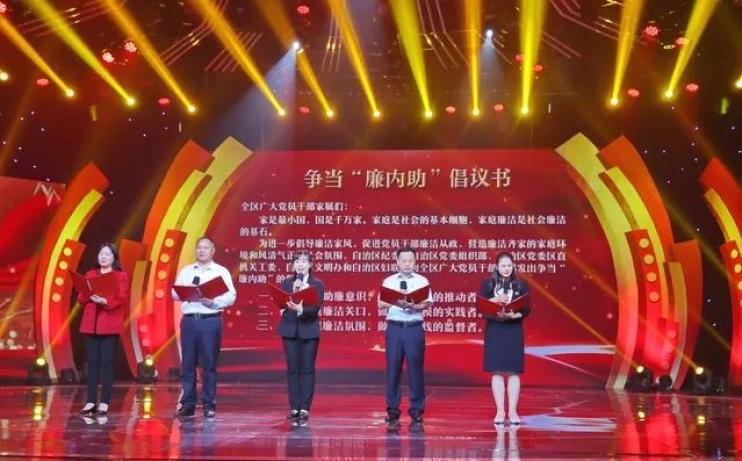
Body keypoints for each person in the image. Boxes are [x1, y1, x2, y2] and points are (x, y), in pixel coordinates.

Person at [172, 237, 236, 418]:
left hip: (210, 321)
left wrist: (214, 302)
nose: (201, 250)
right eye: (199, 247)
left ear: (212, 251)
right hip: (190, 321)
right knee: (188, 364)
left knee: (209, 364)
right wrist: (186, 290)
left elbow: (231, 297)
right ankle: (188, 404)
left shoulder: (220, 271)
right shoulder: (187, 271)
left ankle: (209, 404)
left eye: (205, 247)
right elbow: (174, 294)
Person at [378, 246, 433, 426]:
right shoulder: (389, 281)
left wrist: (412, 305)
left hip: (413, 328)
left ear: (415, 262)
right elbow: (380, 303)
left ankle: (416, 410)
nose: (407, 264)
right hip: (395, 328)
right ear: (397, 261)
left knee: (415, 370)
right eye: (404, 261)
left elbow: (427, 304)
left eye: (410, 261)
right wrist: (396, 301)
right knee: (393, 369)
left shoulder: (422, 281)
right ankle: (393, 410)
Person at [78, 243, 130, 417]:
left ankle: (105, 402)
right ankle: (90, 401)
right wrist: (86, 293)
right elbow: (81, 298)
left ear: (114, 258)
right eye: (101, 254)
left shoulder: (120, 275)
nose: (103, 257)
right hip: (91, 324)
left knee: (107, 363)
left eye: (107, 254)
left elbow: (122, 298)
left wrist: (105, 301)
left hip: (109, 323)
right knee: (92, 363)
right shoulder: (90, 274)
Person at [480, 251, 531, 425]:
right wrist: (495, 300)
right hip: (495, 329)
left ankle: (513, 411)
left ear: (513, 266)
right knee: (497, 371)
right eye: (503, 266)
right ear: (497, 267)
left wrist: (515, 315)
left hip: (513, 329)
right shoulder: (488, 284)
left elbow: (526, 308)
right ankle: (500, 411)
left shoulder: (521, 285)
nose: (506, 269)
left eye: (509, 265)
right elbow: (481, 307)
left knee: (514, 371)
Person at [278, 250, 325, 421]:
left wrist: (301, 309)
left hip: (309, 330)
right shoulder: (286, 283)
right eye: (297, 261)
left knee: (307, 369)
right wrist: (284, 307)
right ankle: (294, 407)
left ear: (310, 264)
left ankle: (304, 407)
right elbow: (281, 302)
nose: (300, 264)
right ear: (293, 265)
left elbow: (316, 308)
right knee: (292, 369)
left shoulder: (317, 284)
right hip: (289, 329)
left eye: (304, 261)